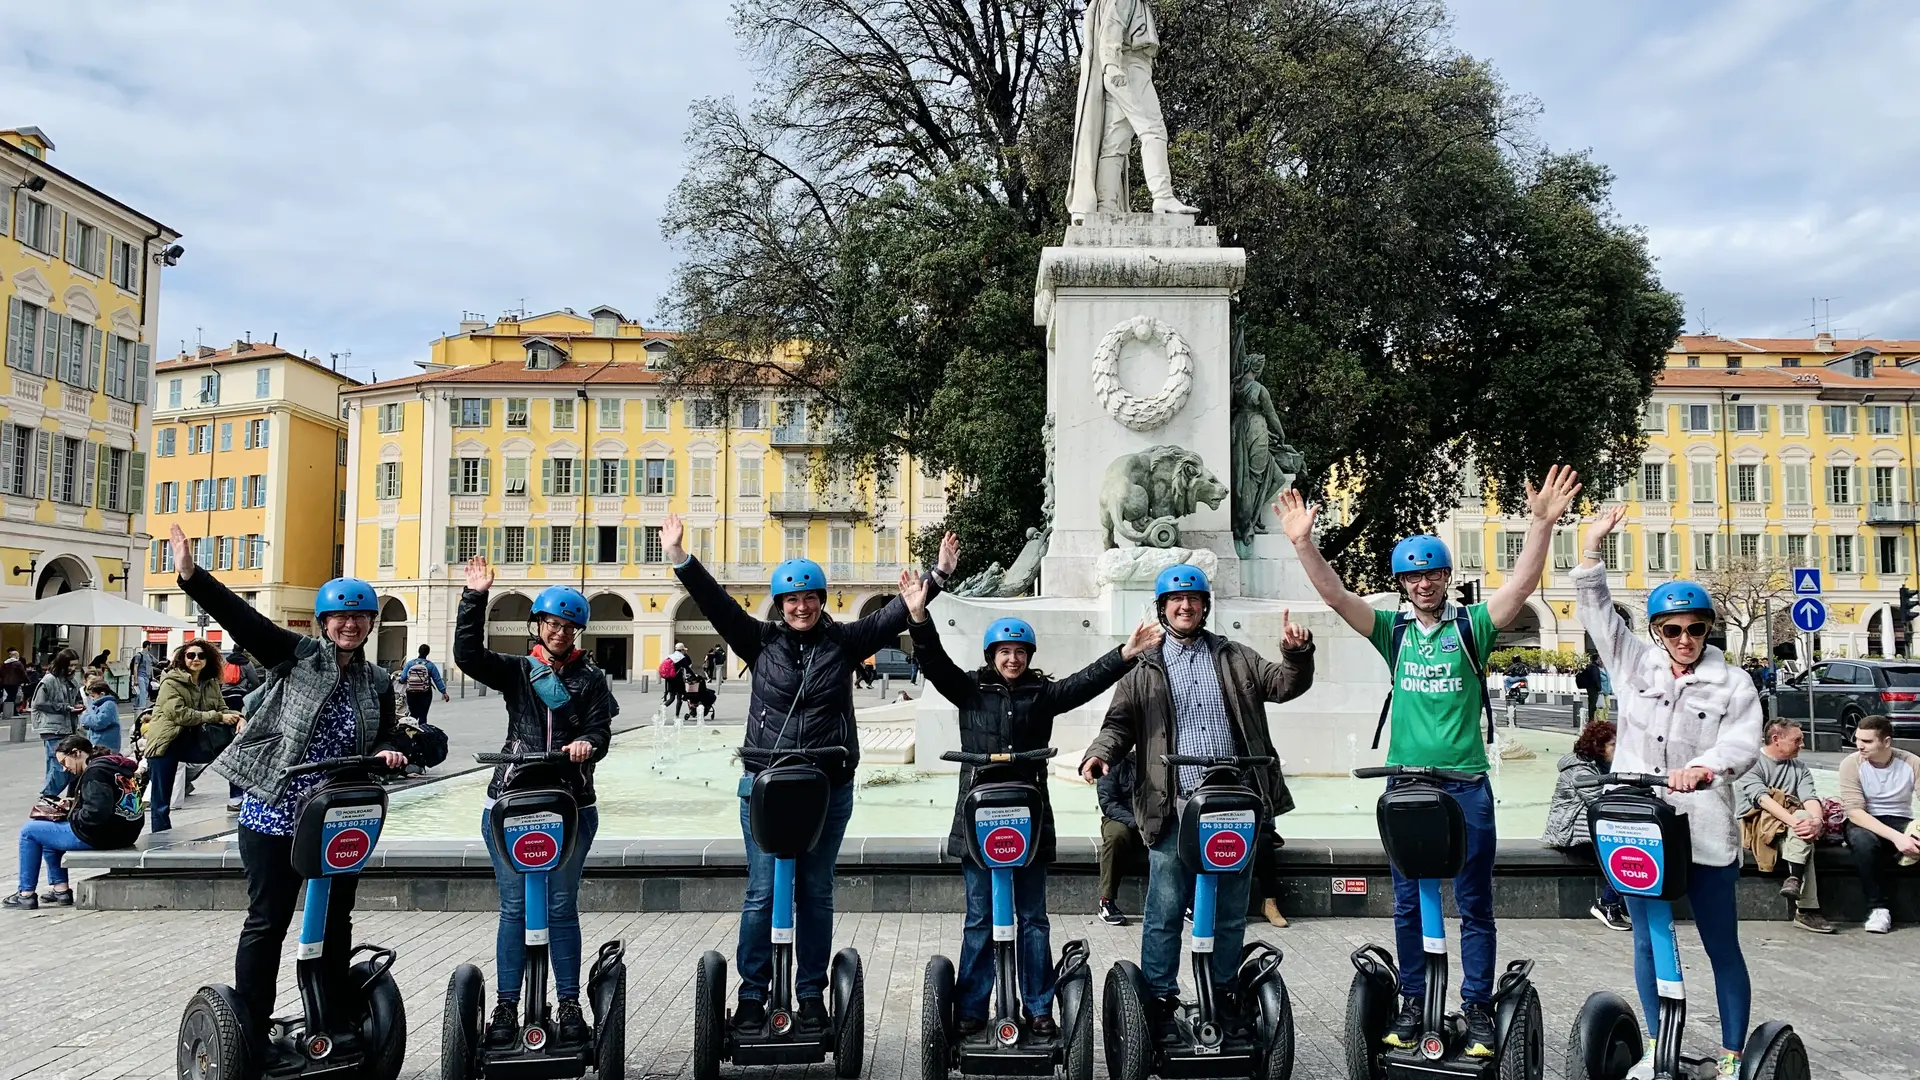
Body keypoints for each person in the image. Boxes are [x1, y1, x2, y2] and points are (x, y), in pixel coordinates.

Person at [1276, 464, 1578, 1057]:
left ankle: (1476, 1005)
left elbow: (1519, 586)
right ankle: (1414, 1003)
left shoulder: (1473, 627)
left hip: (1466, 785)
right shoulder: (1392, 632)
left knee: (1473, 902)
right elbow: (1336, 597)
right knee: (1410, 900)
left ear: (1447, 577)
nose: (1423, 585)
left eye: (1432, 574)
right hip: (1408, 789)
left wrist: (1540, 525)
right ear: (1401, 583)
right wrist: (1302, 543)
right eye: (1412, 577)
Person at [665, 511, 956, 1035]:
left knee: (815, 891)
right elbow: (716, 604)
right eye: (792, 599)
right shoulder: (757, 640)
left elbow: (894, 615)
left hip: (827, 787)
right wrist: (682, 558)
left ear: (822, 600)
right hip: (765, 785)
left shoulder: (843, 641)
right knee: (760, 892)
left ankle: (809, 994)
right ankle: (752, 996)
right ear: (779, 605)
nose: (802, 607)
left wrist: (935, 577)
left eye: (810, 598)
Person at [169, 523, 409, 1068]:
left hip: (338, 820)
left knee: (334, 922)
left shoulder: (376, 681)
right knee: (268, 920)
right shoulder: (298, 656)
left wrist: (394, 749)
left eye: (360, 616)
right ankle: (250, 1030)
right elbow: (246, 622)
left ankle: (330, 1019)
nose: (350, 624)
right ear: (325, 623)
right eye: (340, 616)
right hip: (276, 810)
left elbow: (390, 731)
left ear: (371, 624)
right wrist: (192, 577)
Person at [906, 561, 1156, 1038]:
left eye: (1020, 652)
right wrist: (919, 618)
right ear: (991, 655)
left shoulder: (1042, 694)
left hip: (1031, 822)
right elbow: (935, 662)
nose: (1013, 660)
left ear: (1029, 655)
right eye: (1004, 652)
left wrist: (1124, 654)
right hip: (978, 823)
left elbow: (1082, 684)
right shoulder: (970, 690)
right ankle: (973, 1006)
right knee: (979, 919)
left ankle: (1039, 1003)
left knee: (1034, 920)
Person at [1081, 564, 1314, 1042]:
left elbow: (1283, 685)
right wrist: (1100, 754)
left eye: (1193, 600)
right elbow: (1119, 725)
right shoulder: (1143, 667)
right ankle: (1162, 999)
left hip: (1232, 802)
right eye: (1176, 600)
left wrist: (1297, 655)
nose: (1185, 607)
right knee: (1164, 907)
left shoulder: (1234, 656)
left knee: (1230, 907)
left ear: (1205, 606)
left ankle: (1225, 992)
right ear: (1163, 608)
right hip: (1172, 805)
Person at [1575, 504, 1760, 1078]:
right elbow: (1600, 614)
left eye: (1696, 628)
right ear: (1657, 630)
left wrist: (1703, 769)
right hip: (1637, 825)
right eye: (1673, 629)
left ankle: (1731, 1056)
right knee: (1648, 941)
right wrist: (1591, 551)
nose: (1685, 638)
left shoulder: (1733, 682)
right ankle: (1659, 1044)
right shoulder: (1634, 664)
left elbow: (1742, 744)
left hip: (1702, 827)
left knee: (1720, 944)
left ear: (1709, 629)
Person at [454, 561, 614, 1048]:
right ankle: (506, 1004)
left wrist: (587, 743)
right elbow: (467, 655)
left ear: (577, 631)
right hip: (511, 800)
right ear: (537, 626)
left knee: (563, 907)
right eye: (551, 623)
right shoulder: (519, 670)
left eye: (568, 626)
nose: (559, 632)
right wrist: (473, 598)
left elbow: (600, 730)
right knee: (514, 907)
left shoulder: (591, 680)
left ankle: (567, 1003)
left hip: (571, 804)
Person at [3, 734, 143, 909]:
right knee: (46, 835)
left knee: (29, 831)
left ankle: (26, 894)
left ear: (76, 753)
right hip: (126, 832)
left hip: (103, 835)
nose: (64, 769)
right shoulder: (113, 765)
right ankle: (61, 890)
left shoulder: (95, 773)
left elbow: (96, 813)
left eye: (65, 763)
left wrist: (70, 814)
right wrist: (73, 805)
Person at [1735, 719, 1834, 934]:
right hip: (1757, 826)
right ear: (1776, 740)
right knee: (1801, 822)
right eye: (1797, 740)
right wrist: (1800, 824)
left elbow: (1810, 797)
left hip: (1791, 826)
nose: (1802, 744)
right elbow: (1763, 800)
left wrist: (1816, 822)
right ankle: (1807, 907)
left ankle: (1794, 880)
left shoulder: (1800, 768)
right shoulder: (1751, 763)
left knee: (1803, 816)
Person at [1540, 719, 1629, 931]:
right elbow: (1601, 803)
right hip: (1571, 834)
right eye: (1613, 745)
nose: (1618, 750)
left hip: (1589, 830)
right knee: (1623, 855)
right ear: (1598, 747)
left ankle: (1623, 904)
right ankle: (1608, 905)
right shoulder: (1580, 771)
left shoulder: (1601, 765)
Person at [145, 639, 240, 832]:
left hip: (194, 741)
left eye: (201, 655)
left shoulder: (210, 682)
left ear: (208, 659)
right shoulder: (171, 681)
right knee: (161, 801)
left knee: (238, 750)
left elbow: (222, 707)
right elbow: (180, 714)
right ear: (182, 658)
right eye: (191, 655)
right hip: (166, 742)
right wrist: (218, 717)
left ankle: (238, 797)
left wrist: (240, 718)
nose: (196, 659)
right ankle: (160, 840)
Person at [1838, 714, 1920, 934]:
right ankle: (1878, 908)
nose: (1859, 746)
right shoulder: (1851, 763)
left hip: (1900, 819)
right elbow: (1855, 812)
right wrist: (1897, 837)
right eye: (1857, 739)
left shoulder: (1911, 762)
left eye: (1867, 741)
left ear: (1886, 741)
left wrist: (1912, 833)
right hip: (1864, 820)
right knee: (1864, 842)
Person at [29, 649, 86, 803]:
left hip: (68, 726)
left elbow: (76, 699)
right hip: (53, 728)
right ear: (63, 663)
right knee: (59, 763)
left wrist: (77, 706)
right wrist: (65, 707)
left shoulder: (71, 681)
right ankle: (48, 795)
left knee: (70, 764)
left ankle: (67, 794)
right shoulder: (49, 680)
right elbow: (38, 703)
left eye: (75, 665)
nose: (73, 668)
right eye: (70, 665)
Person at [1097, 750, 1143, 926]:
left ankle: (1188, 900)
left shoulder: (1157, 760)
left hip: (1153, 818)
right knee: (1116, 836)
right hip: (1119, 818)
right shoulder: (1111, 762)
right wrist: (1136, 823)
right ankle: (1106, 901)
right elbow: (1108, 803)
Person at [399, 643, 449, 723]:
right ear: (428, 653)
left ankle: (411, 732)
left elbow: (402, 678)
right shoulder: (430, 665)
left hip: (411, 693)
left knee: (413, 714)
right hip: (425, 693)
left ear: (418, 651)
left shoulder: (410, 664)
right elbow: (437, 679)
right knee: (423, 715)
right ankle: (422, 732)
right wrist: (444, 692)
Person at [78, 676, 122, 753]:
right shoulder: (97, 704)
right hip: (97, 743)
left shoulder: (109, 705)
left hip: (106, 745)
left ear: (102, 694)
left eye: (93, 696)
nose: (92, 699)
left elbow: (99, 723)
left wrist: (84, 718)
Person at [1576, 654, 1603, 722]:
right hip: (1593, 688)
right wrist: (1599, 688)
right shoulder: (1594, 667)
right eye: (1599, 659)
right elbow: (1595, 678)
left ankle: (1592, 719)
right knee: (1593, 704)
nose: (1601, 660)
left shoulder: (1591, 666)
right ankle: (1591, 720)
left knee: (1592, 704)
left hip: (1591, 687)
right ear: (1596, 659)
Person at [0, 648, 25, 714]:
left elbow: (1, 672)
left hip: (5, 683)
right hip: (14, 683)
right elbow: (22, 673)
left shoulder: (5, 663)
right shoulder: (18, 663)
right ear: (16, 656)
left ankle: (14, 711)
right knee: (12, 697)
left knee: (10, 696)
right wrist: (27, 680)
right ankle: (1, 708)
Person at [128, 647, 152, 711]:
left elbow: (151, 666)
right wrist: (136, 679)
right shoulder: (139, 655)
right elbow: (135, 667)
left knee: (142, 692)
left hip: (147, 676)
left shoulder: (149, 656)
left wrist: (152, 677)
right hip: (140, 676)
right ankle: (142, 707)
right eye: (150, 645)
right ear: (148, 646)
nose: (151, 647)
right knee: (142, 691)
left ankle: (137, 705)